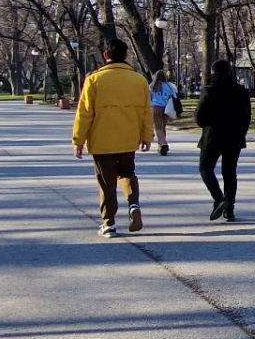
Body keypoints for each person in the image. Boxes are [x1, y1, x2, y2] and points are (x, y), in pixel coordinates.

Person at [73, 38, 153, 237]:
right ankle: (133, 203)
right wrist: (147, 135)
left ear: (105, 55)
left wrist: (78, 140)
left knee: (106, 181)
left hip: (102, 140)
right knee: (127, 173)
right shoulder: (139, 80)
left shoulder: (94, 80)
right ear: (126, 56)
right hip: (129, 138)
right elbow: (146, 111)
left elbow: (85, 113)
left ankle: (108, 223)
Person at [194, 59, 252, 222]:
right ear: (229, 72)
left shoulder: (208, 91)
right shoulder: (241, 91)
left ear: (213, 72)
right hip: (234, 137)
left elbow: (199, 118)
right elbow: (247, 116)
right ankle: (229, 209)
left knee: (205, 168)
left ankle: (219, 198)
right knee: (229, 172)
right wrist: (241, 133)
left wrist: (207, 124)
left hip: (212, 136)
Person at [149, 71, 179, 156]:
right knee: (163, 127)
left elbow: (149, 98)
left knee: (158, 127)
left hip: (156, 107)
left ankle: (163, 144)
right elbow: (174, 97)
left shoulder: (152, 86)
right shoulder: (169, 86)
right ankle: (161, 146)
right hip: (167, 108)